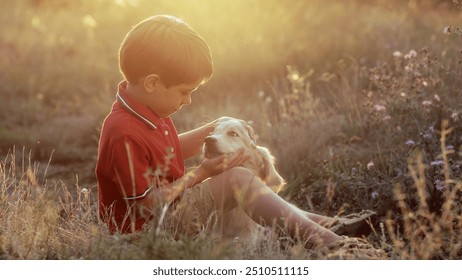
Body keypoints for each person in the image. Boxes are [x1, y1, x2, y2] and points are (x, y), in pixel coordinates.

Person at [95, 15, 376, 251]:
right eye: (184, 92)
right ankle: (333, 245)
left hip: (169, 211)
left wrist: (213, 127)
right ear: (153, 82)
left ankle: (329, 225)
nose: (188, 101)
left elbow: (163, 154)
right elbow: (146, 205)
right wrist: (201, 173)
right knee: (239, 179)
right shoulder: (123, 132)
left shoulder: (149, 109)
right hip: (145, 232)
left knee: (244, 182)